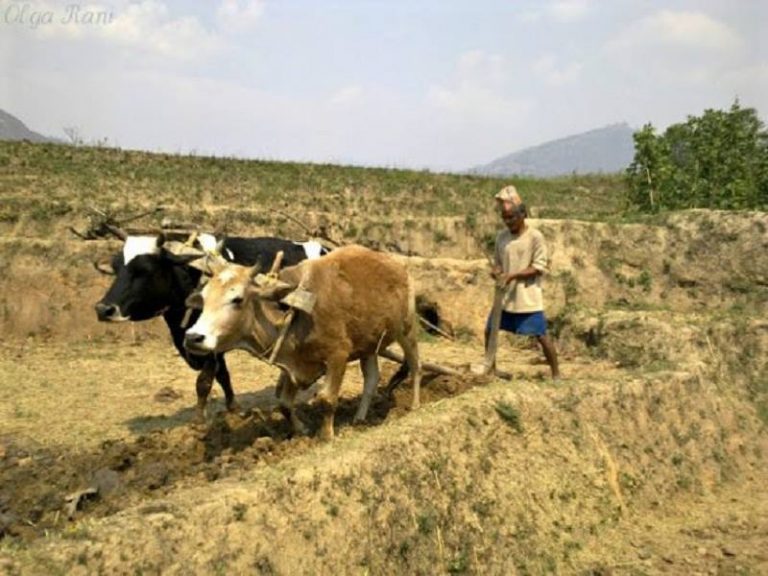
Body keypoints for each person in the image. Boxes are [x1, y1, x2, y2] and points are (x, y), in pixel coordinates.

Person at [486, 185, 560, 379]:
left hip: (527, 296)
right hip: (505, 297)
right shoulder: (501, 237)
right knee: (490, 329)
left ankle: (556, 374)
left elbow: (538, 267)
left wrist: (512, 276)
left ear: (523, 215)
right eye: (505, 218)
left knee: (541, 335)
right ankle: (491, 368)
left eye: (511, 217)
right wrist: (497, 271)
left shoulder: (535, 237)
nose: (508, 221)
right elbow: (498, 263)